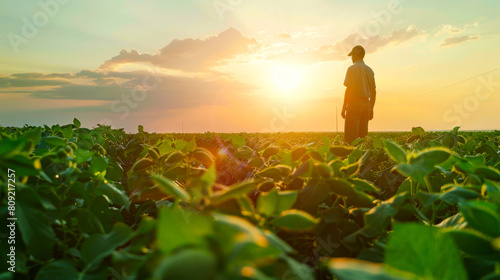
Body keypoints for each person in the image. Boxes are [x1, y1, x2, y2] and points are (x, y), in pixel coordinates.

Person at [341, 45, 376, 144]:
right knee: (362, 136)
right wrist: (371, 108)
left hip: (354, 103)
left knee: (350, 137)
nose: (351, 57)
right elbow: (373, 92)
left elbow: (349, 89)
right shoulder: (370, 70)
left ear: (356, 54)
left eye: (352, 55)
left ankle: (352, 157)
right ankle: (362, 156)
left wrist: (344, 107)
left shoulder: (351, 69)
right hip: (366, 104)